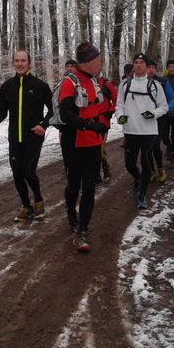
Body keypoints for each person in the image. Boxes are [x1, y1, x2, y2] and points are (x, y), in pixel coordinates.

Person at [0, 50, 53, 223]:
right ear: (13, 63)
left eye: (23, 60)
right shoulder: (7, 86)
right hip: (15, 137)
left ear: (29, 63)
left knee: (28, 172)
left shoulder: (40, 86)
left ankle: (38, 200)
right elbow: (1, 110)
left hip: (33, 137)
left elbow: (54, 110)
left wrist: (43, 125)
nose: (20, 64)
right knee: (17, 174)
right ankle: (26, 207)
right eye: (17, 61)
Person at [58, 42, 110, 251]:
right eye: (98, 60)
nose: (100, 63)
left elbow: (101, 105)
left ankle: (82, 232)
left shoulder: (95, 81)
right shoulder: (70, 82)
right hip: (74, 144)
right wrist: (88, 125)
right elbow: (65, 114)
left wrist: (105, 120)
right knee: (74, 186)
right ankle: (71, 210)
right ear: (89, 62)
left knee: (89, 188)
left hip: (93, 144)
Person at [116, 53, 169, 208]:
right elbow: (119, 105)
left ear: (147, 66)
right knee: (129, 163)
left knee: (146, 162)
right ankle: (137, 179)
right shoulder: (124, 85)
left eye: (141, 63)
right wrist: (120, 116)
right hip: (131, 130)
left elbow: (164, 107)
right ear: (133, 65)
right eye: (136, 62)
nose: (138, 65)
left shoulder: (155, 86)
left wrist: (152, 114)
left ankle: (142, 195)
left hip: (149, 131)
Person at [147, 59, 174, 182]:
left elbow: (172, 98)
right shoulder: (140, 82)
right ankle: (151, 171)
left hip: (160, 118)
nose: (151, 69)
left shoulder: (163, 82)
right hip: (145, 119)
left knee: (154, 145)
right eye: (149, 67)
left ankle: (160, 169)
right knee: (147, 147)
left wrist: (167, 108)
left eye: (153, 67)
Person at [95, 72, 118, 182]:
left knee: (99, 149)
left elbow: (116, 99)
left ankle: (106, 168)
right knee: (92, 149)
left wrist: (111, 110)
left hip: (103, 120)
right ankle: (95, 174)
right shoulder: (84, 83)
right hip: (89, 122)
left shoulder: (106, 84)